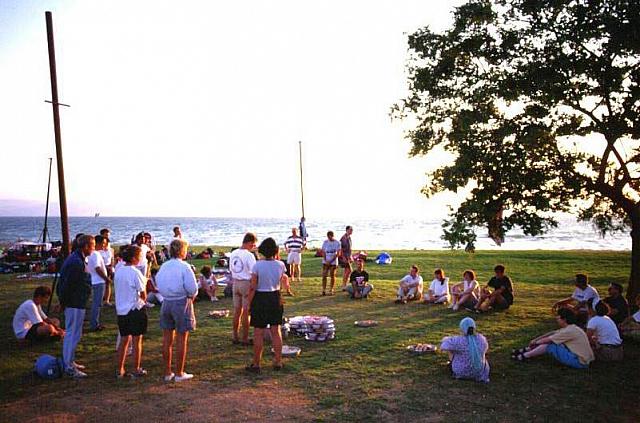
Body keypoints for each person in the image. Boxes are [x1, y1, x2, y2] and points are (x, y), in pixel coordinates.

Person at [156, 239, 198, 382]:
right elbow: (192, 288)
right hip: (181, 302)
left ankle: (167, 372)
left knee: (167, 339)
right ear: (182, 251)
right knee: (182, 338)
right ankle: (179, 372)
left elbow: (158, 282)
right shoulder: (184, 267)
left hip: (166, 302)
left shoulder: (164, 266)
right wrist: (190, 295)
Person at [245, 238, 288, 373]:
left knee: (258, 332)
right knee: (276, 331)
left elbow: (253, 287)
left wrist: (249, 303)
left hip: (261, 298)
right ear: (275, 251)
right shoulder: (280, 265)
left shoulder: (257, 265)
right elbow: (281, 281)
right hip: (275, 297)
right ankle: (278, 361)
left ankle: (256, 363)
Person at [57, 234, 95, 378]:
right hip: (74, 303)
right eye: (91, 246)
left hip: (78, 302)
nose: (92, 249)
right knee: (72, 334)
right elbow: (66, 285)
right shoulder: (75, 262)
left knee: (75, 333)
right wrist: (63, 302)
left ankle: (70, 361)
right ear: (85, 246)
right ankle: (68, 366)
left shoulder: (77, 259)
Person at [511, 308, 594, 369]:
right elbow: (553, 333)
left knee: (550, 345)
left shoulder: (569, 331)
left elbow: (547, 340)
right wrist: (536, 339)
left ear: (564, 319)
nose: (556, 319)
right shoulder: (572, 328)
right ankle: (526, 351)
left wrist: (535, 342)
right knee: (553, 341)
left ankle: (525, 356)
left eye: (558, 318)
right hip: (584, 359)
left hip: (580, 362)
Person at [114, 245, 148, 378]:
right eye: (139, 256)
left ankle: (120, 368)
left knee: (124, 340)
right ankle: (136, 368)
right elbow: (143, 292)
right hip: (134, 309)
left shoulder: (119, 271)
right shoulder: (135, 272)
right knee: (136, 340)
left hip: (121, 310)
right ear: (134, 258)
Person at [440, 317, 490, 383]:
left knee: (451, 349)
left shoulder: (459, 341)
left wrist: (446, 339)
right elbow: (485, 349)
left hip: (461, 372)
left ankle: (453, 363)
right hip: (479, 372)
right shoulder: (481, 339)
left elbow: (443, 346)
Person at [229, 233, 257, 346]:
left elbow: (231, 269)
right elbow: (254, 271)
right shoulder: (249, 255)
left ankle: (235, 335)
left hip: (235, 283)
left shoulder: (233, 253)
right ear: (249, 242)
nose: (253, 247)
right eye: (253, 244)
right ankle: (245, 338)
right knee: (246, 312)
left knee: (237, 311)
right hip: (246, 283)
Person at [87, 234, 111, 331]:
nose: (104, 246)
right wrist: (106, 278)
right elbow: (97, 268)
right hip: (98, 281)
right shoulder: (96, 254)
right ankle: (94, 324)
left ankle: (94, 322)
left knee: (96, 303)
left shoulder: (92, 253)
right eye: (103, 243)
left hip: (95, 280)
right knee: (97, 304)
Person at [320, 231, 341, 296]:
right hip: (326, 261)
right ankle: (324, 289)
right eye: (328, 237)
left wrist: (331, 261)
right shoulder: (325, 242)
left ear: (333, 236)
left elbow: (338, 253)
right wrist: (326, 260)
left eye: (331, 236)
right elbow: (323, 251)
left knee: (332, 275)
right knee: (324, 275)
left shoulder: (337, 243)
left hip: (333, 261)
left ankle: (331, 289)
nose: (329, 238)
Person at [99, 228, 115, 307]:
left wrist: (111, 266)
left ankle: (107, 300)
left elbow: (112, 258)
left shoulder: (110, 248)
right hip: (101, 267)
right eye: (105, 235)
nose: (107, 236)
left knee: (108, 283)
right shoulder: (98, 248)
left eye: (108, 235)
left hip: (108, 267)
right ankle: (101, 299)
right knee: (101, 284)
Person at [339, 226, 353, 291]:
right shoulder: (343, 238)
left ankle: (344, 285)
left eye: (352, 230)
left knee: (346, 271)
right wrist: (343, 257)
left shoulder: (349, 238)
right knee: (349, 270)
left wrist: (351, 256)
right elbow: (340, 248)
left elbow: (350, 248)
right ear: (347, 230)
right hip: (344, 256)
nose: (351, 231)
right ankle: (344, 285)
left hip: (348, 256)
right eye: (350, 230)